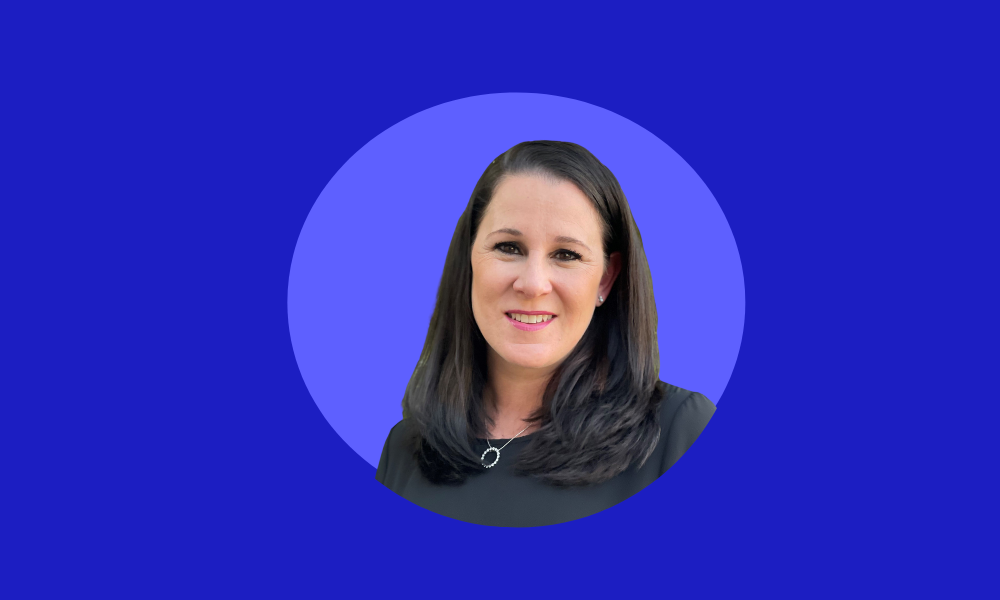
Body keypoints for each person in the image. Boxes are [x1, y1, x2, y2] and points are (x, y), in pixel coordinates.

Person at [376, 140, 715, 527]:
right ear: (469, 260)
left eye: (566, 254)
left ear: (606, 277)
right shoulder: (405, 448)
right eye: (508, 247)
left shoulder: (679, 431)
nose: (533, 283)